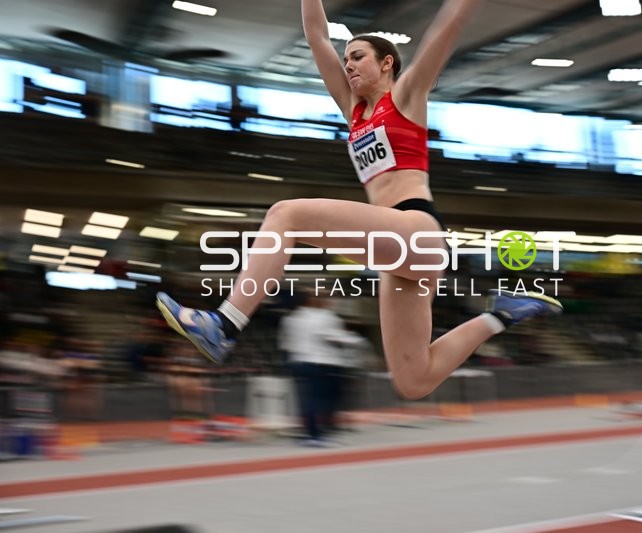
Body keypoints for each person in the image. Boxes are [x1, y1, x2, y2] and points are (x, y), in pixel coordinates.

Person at [156, 0, 562, 400]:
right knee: (413, 380)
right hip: (395, 251)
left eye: (357, 57)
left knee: (286, 215)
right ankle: (502, 314)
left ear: (386, 63)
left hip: (416, 229)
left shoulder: (406, 95)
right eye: (345, 58)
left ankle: (224, 324)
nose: (347, 65)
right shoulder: (354, 111)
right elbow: (316, 35)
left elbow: (447, 27)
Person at [279, 292, 361, 445]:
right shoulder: (326, 317)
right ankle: (318, 433)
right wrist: (353, 339)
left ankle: (310, 431)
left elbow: (285, 343)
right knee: (322, 399)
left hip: (298, 361)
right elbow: (332, 337)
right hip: (322, 362)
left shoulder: (291, 319)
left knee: (307, 400)